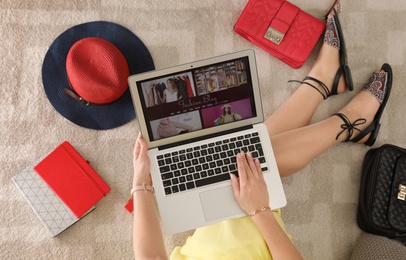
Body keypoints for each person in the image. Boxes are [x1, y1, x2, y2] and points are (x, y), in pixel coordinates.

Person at [131, 3, 392, 259]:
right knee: (249, 156)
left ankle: (328, 89)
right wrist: (260, 209)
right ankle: (348, 120)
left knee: (241, 151)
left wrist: (141, 182)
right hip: (258, 230)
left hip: (215, 232)